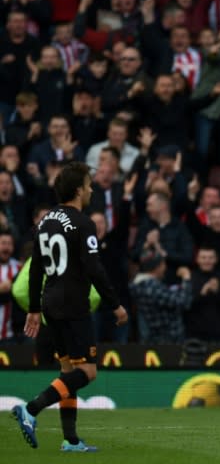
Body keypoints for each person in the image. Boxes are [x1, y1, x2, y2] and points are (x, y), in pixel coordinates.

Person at [12, 161, 128, 451]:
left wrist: (35, 309)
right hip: (74, 305)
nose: (91, 189)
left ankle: (71, 439)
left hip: (51, 303)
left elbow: (36, 267)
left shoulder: (46, 221)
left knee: (68, 373)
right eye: (88, 185)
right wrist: (115, 305)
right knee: (88, 373)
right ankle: (32, 409)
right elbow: (94, 269)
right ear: (78, 190)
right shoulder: (82, 222)